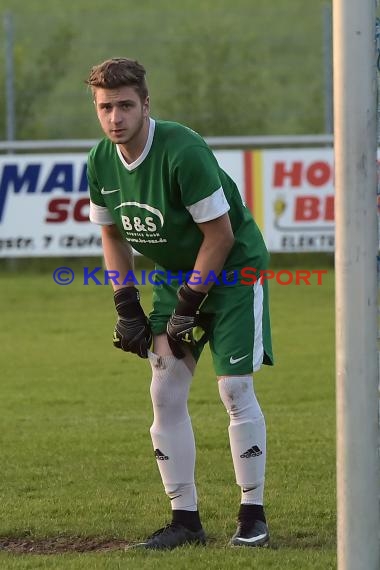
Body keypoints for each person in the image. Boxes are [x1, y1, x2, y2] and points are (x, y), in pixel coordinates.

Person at [85, 57, 274, 550]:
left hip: (233, 272)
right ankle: (184, 521)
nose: (115, 117)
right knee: (165, 392)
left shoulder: (182, 150)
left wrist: (189, 303)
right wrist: (126, 304)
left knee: (233, 387)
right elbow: (112, 234)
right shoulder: (100, 161)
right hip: (176, 276)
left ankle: (252, 514)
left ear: (147, 104)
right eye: (105, 107)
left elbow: (221, 235)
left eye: (126, 105)